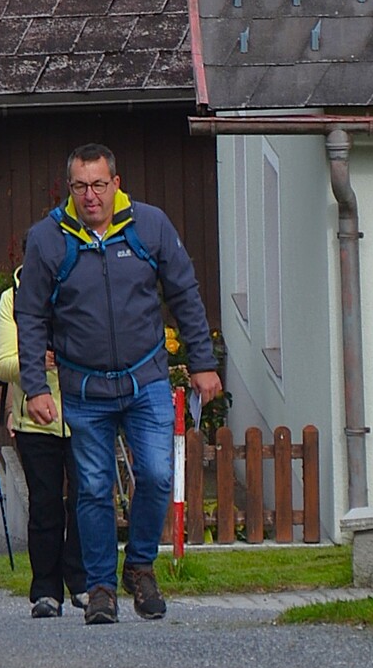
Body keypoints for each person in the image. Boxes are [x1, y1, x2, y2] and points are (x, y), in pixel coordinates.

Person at [15, 142, 220, 624]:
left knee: (156, 475)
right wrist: (35, 386)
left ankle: (140, 566)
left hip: (145, 380)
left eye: (99, 185)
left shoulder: (150, 226)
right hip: (84, 389)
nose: (91, 196)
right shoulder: (47, 239)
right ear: (69, 189)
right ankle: (101, 588)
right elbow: (30, 316)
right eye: (80, 187)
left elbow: (184, 294)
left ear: (116, 184)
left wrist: (202, 361)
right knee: (91, 488)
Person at [0, 246, 83, 617]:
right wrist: (37, 361)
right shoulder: (12, 298)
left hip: (86, 412)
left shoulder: (84, 288)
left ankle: (84, 583)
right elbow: (2, 364)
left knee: (86, 499)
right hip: (35, 418)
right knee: (45, 505)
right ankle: (46, 590)